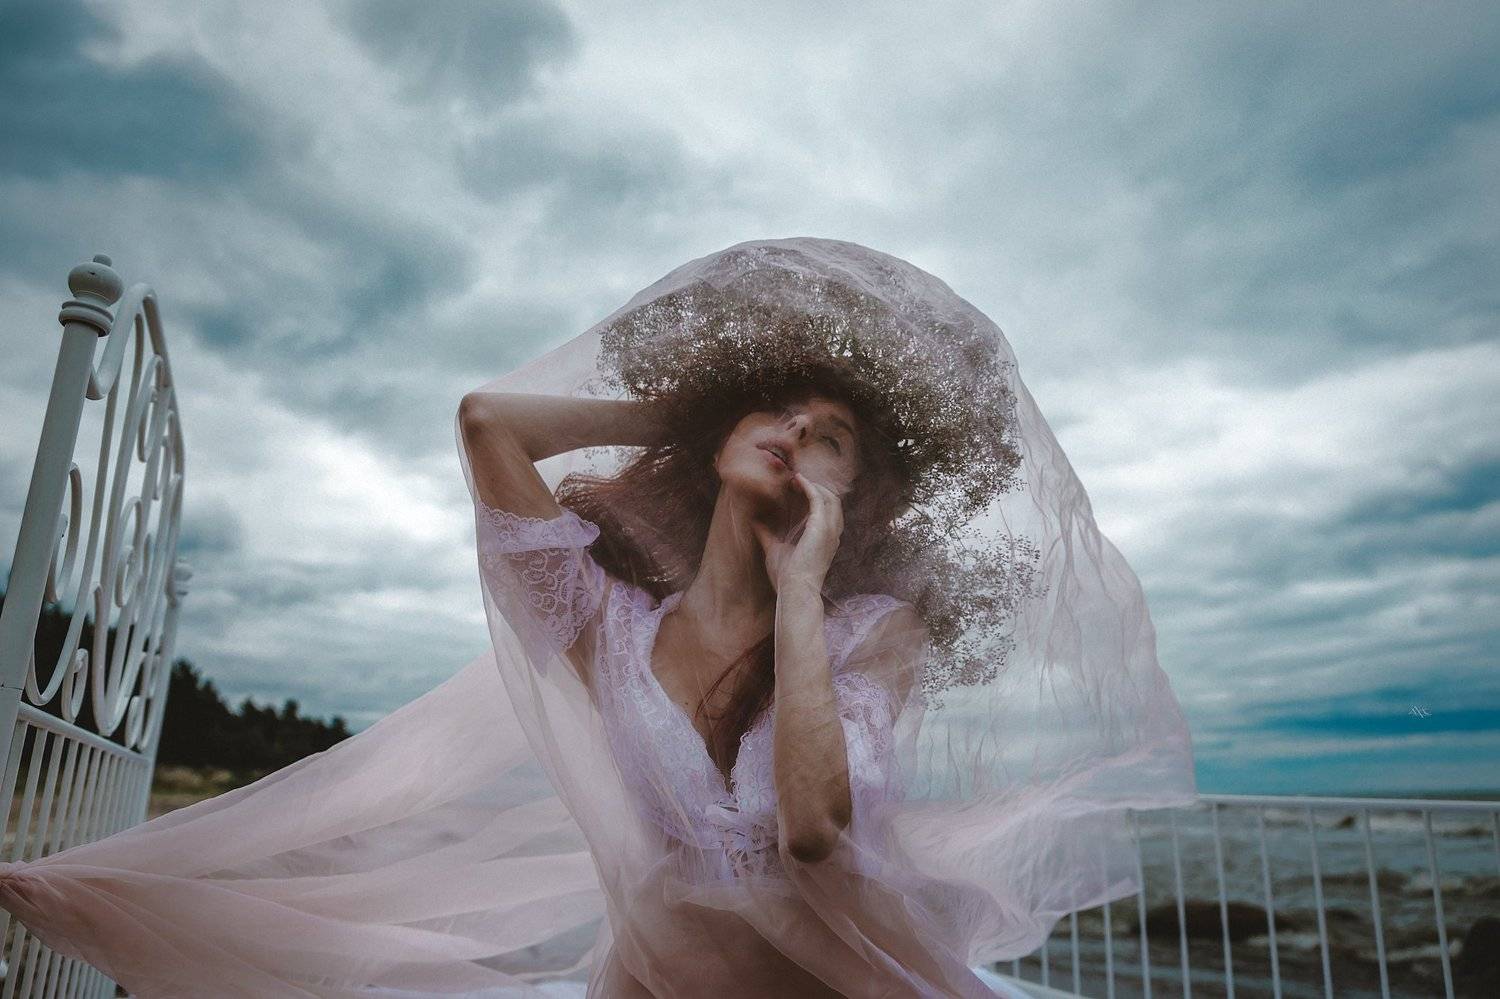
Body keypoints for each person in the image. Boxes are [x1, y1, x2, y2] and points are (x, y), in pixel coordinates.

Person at [0, 237, 1197, 997]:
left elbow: (817, 835)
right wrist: (690, 403)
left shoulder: (869, 628)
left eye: (826, 434)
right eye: (769, 405)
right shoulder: (604, 625)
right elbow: (487, 423)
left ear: (859, 490)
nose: (790, 428)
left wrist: (798, 584)